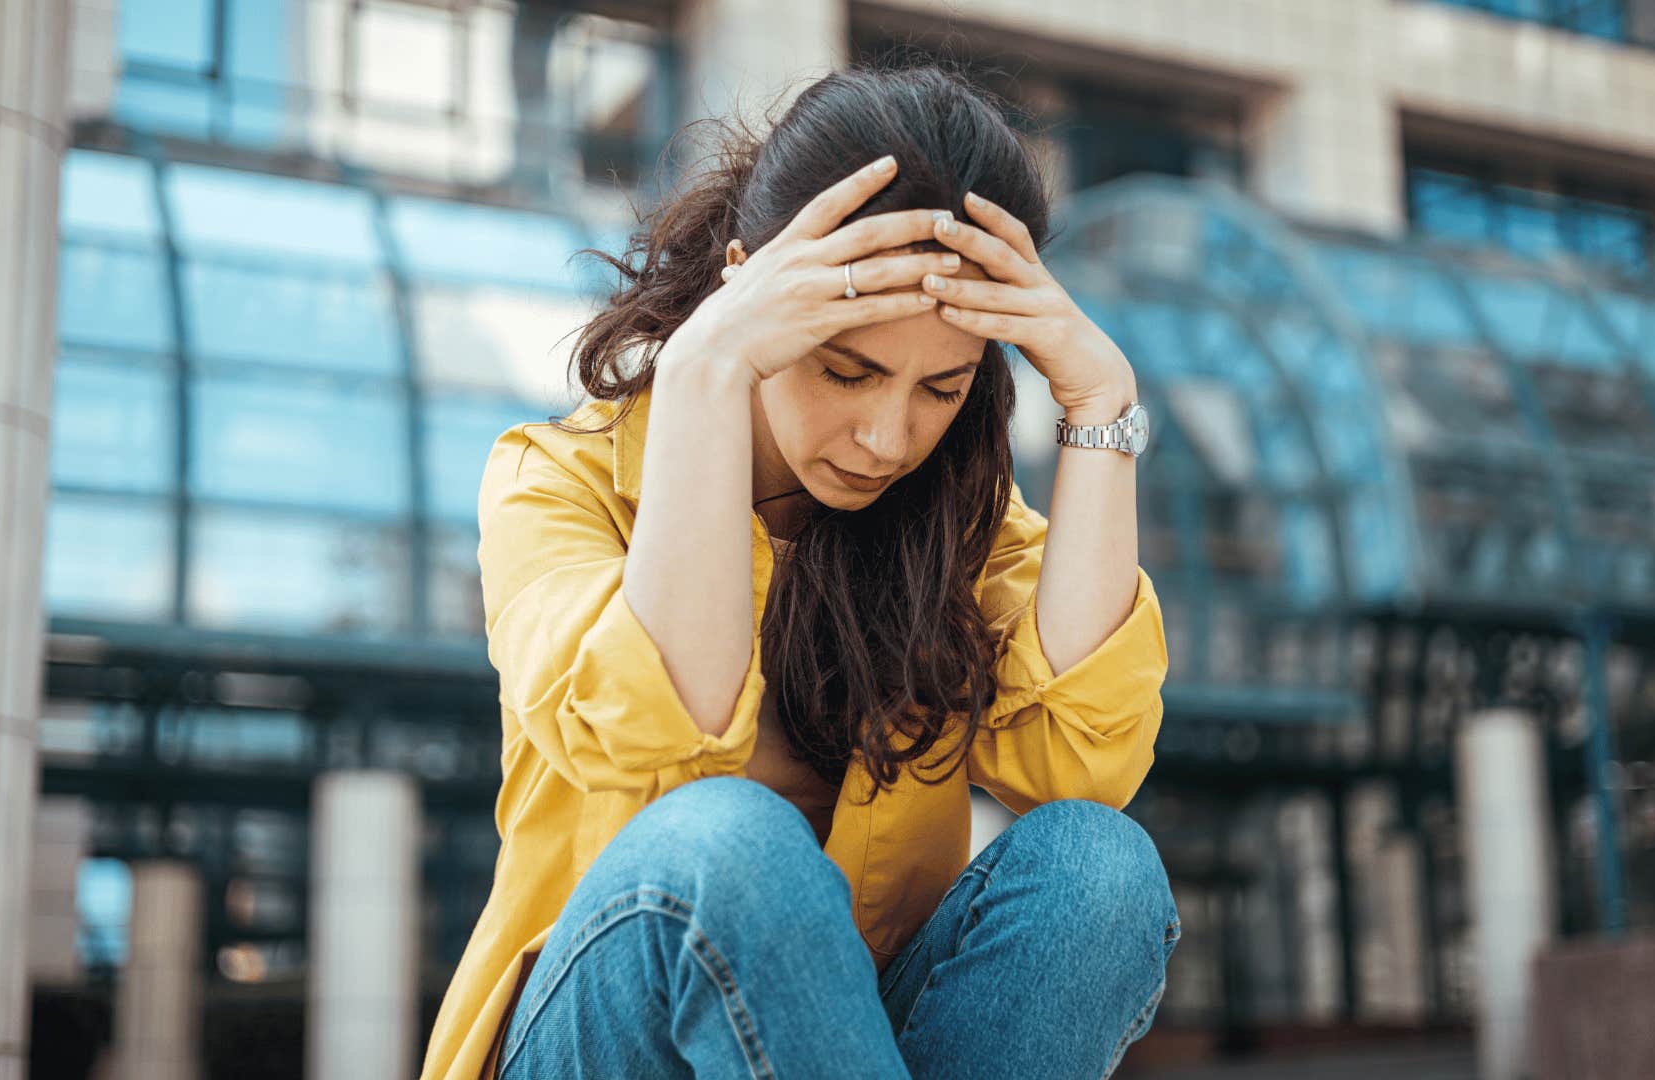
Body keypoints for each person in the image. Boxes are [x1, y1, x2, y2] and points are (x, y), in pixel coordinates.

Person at [419, 61, 1179, 1080]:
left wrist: (1100, 409)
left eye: (940, 388)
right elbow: (663, 750)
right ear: (752, 287)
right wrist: (702, 370)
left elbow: (1079, 768)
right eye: (846, 369)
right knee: (730, 840)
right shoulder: (554, 480)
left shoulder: (957, 523)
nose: (884, 435)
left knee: (1099, 867)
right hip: (603, 1037)